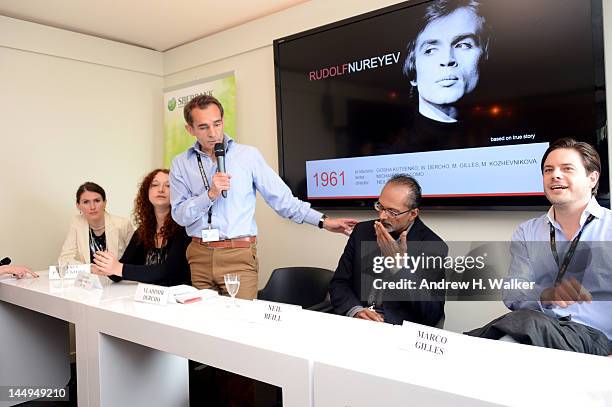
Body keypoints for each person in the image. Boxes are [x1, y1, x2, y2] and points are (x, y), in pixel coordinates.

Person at [170, 95, 357, 300]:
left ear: (223, 121)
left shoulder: (247, 156)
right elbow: (180, 215)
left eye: (217, 124)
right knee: (203, 325)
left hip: (238, 255)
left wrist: (324, 222)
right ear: (190, 129)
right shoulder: (181, 163)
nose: (213, 133)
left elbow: (283, 200)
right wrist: (209, 195)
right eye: (203, 127)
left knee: (240, 324)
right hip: (199, 254)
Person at [466, 138, 612, 356]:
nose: (555, 175)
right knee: (512, 335)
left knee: (517, 329)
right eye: (548, 170)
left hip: (594, 339)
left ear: (593, 178)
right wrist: (546, 294)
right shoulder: (528, 232)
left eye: (567, 169)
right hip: (540, 330)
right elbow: (513, 292)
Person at [329, 175, 447, 326]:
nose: (382, 216)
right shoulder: (362, 231)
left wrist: (399, 268)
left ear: (413, 214)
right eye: (381, 207)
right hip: (356, 324)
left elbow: (432, 314)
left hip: (397, 331)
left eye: (392, 211)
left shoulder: (432, 246)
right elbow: (339, 283)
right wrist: (356, 311)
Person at [92, 169, 191, 287]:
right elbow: (120, 271)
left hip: (178, 300)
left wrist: (118, 268)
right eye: (154, 185)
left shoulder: (184, 228)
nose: (161, 189)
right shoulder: (143, 231)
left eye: (168, 185)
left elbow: (167, 271)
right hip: (150, 299)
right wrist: (105, 266)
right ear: (146, 192)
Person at [402, 0, 490, 123]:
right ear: (412, 70)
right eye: (431, 50)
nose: (447, 59)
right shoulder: (399, 141)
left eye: (463, 45)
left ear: (484, 54)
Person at [59, 182, 134, 266]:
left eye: (97, 201)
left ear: (105, 202)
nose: (92, 207)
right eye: (86, 202)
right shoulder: (76, 223)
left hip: (119, 278)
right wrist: (90, 269)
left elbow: (136, 259)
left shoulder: (122, 224)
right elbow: (64, 259)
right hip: (90, 277)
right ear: (78, 205)